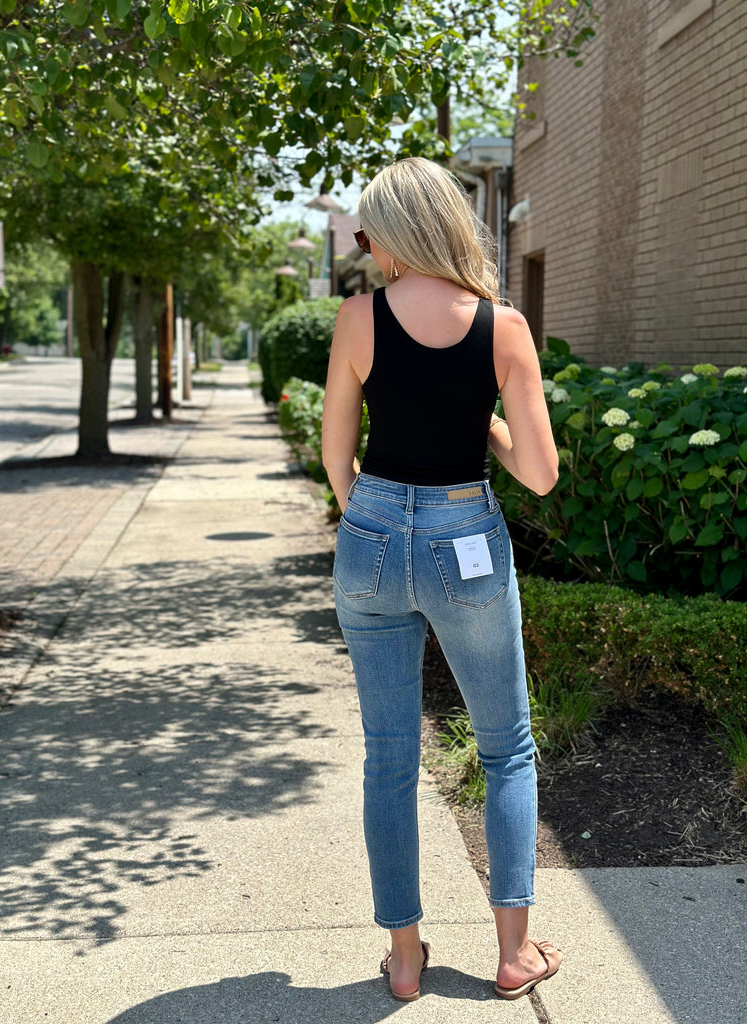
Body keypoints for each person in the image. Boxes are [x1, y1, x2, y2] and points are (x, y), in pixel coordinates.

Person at [321, 157, 561, 1003]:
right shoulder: (504, 328)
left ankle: (405, 959)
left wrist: (373, 521)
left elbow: (335, 456)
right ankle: (514, 955)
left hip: (373, 536)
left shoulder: (358, 318)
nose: (368, 249)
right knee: (506, 748)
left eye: (367, 235)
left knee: (388, 755)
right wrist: (485, 422)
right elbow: (540, 475)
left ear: (393, 234)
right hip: (466, 534)